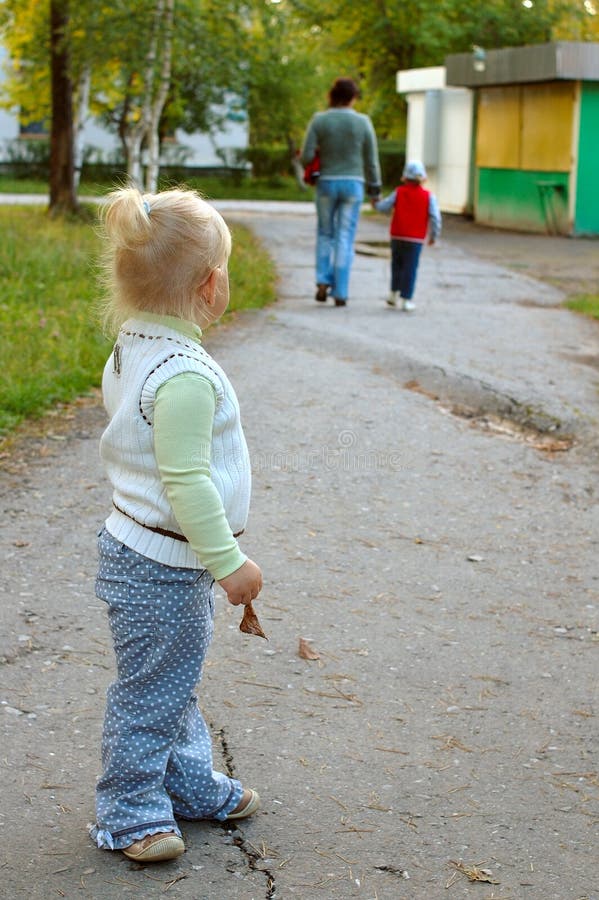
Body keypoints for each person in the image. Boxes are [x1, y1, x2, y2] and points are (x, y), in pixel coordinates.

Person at [90, 187, 263, 863]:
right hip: (164, 562)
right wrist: (229, 563)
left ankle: (187, 785)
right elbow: (184, 482)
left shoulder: (131, 346)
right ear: (211, 284)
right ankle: (128, 812)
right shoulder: (185, 374)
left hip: (143, 552)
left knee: (169, 680)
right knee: (148, 691)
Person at [300, 76, 382, 307]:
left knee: (325, 233)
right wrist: (375, 190)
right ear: (353, 98)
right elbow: (371, 161)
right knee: (345, 237)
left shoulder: (320, 121)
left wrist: (319, 155)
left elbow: (306, 156)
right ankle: (341, 291)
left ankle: (322, 281)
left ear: (332, 95)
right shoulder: (363, 122)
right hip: (354, 185)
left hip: (327, 183)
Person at [373, 160, 441, 312]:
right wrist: (434, 235)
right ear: (423, 178)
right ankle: (406, 298)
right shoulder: (429, 197)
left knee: (396, 265)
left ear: (404, 177)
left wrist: (376, 203)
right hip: (415, 238)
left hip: (397, 235)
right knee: (410, 267)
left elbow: (384, 207)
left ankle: (392, 294)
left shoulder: (398, 192)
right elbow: (435, 217)